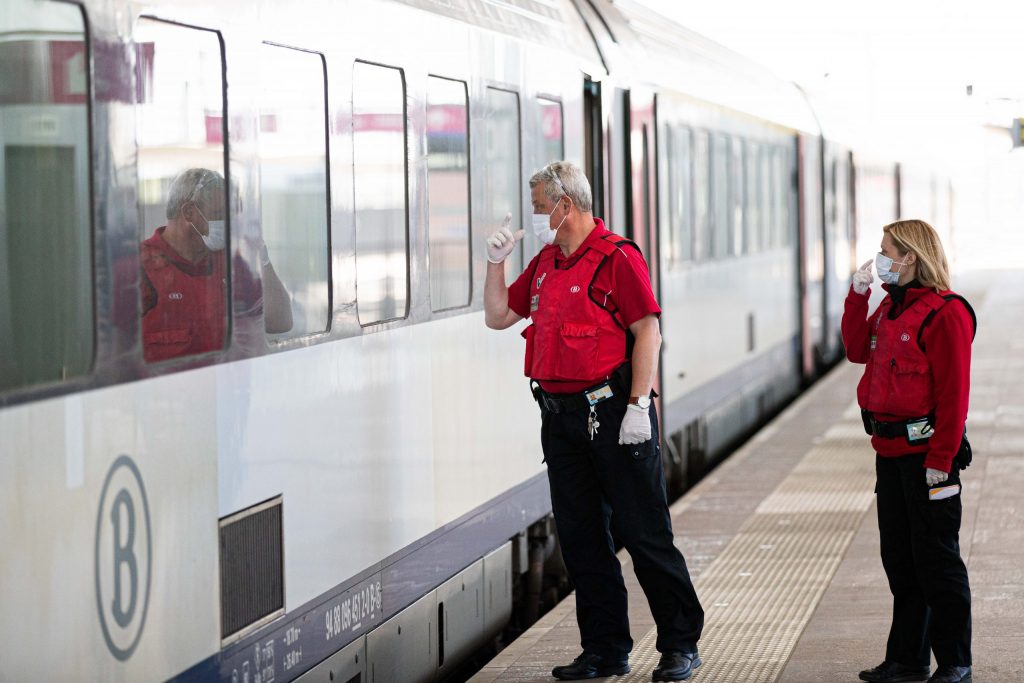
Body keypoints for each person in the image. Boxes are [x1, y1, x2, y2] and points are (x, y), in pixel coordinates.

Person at [484, 161, 704, 682]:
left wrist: (636, 406)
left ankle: (680, 644)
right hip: (561, 421)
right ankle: (605, 650)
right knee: (583, 539)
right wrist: (495, 264)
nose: (537, 216)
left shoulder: (617, 259)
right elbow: (498, 317)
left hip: (613, 413)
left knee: (644, 533)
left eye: (540, 207)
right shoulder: (545, 264)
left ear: (566, 205)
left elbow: (646, 331)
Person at [843, 220, 976, 683]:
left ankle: (955, 662)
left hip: (928, 460)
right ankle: (908, 659)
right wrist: (858, 296)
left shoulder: (947, 314)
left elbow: (954, 397)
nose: (879, 259)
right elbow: (856, 350)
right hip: (890, 453)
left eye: (886, 251)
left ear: (911, 258)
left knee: (937, 560)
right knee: (900, 559)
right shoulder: (889, 310)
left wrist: (941, 462)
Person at [140, 168, 292, 362]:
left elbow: (281, 321)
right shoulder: (140, 269)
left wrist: (261, 257)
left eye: (233, 216)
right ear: (189, 213)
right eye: (221, 214)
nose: (230, 224)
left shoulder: (231, 264)